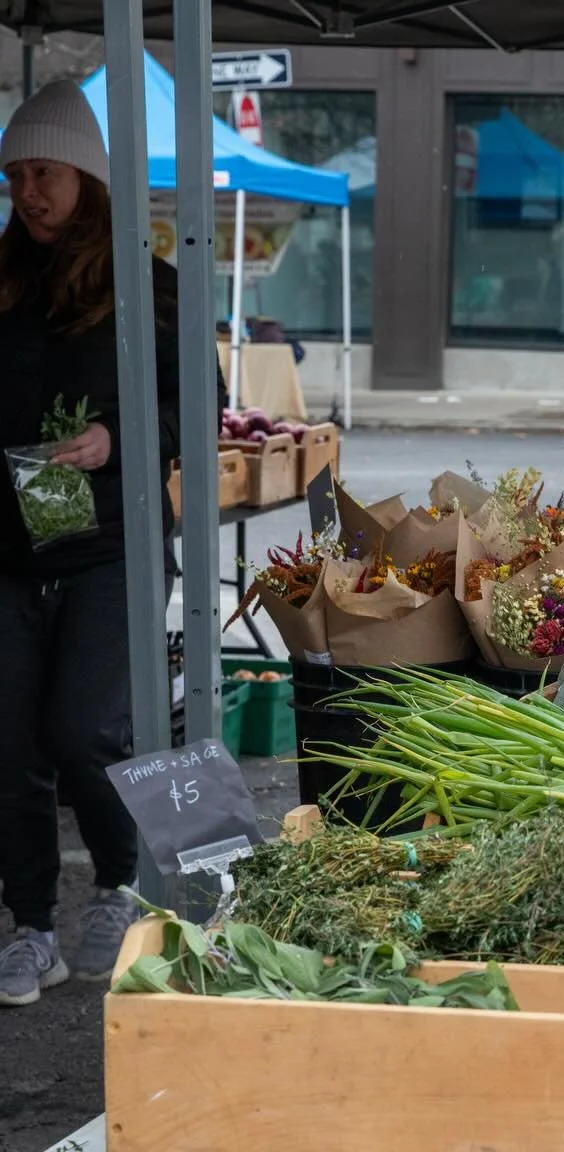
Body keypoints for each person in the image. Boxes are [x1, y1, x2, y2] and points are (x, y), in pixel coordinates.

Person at [0, 81, 224, 1006]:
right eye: (15, 176)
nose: (28, 192)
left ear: (86, 177)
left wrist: (120, 441)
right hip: (12, 547)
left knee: (87, 729)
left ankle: (119, 878)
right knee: (9, 743)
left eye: (43, 173)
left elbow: (198, 404)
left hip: (111, 546)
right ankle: (30, 927)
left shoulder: (149, 286)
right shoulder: (3, 279)